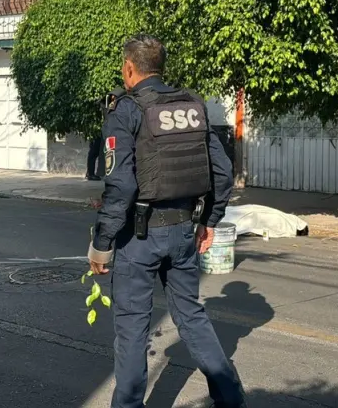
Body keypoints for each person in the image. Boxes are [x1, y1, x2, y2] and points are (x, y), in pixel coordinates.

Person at [87, 34, 247, 408]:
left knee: (132, 329)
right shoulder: (192, 105)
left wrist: (102, 243)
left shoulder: (126, 109)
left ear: (129, 68)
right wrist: (209, 220)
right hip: (183, 233)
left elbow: (121, 185)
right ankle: (231, 399)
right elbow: (222, 172)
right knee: (191, 315)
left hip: (138, 238)